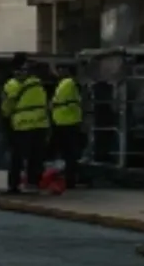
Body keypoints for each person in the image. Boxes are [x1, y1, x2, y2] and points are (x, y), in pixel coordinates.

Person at [5, 66, 51, 195]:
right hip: (40, 125)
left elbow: (8, 105)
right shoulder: (38, 85)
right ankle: (33, 183)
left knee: (17, 157)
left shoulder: (12, 85)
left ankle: (14, 185)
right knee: (36, 157)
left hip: (22, 126)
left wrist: (6, 116)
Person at [49, 66, 85, 186]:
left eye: (59, 69)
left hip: (66, 121)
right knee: (68, 153)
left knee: (67, 153)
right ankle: (68, 178)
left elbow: (59, 101)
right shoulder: (66, 83)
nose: (57, 72)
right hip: (65, 121)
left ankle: (69, 179)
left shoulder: (68, 83)